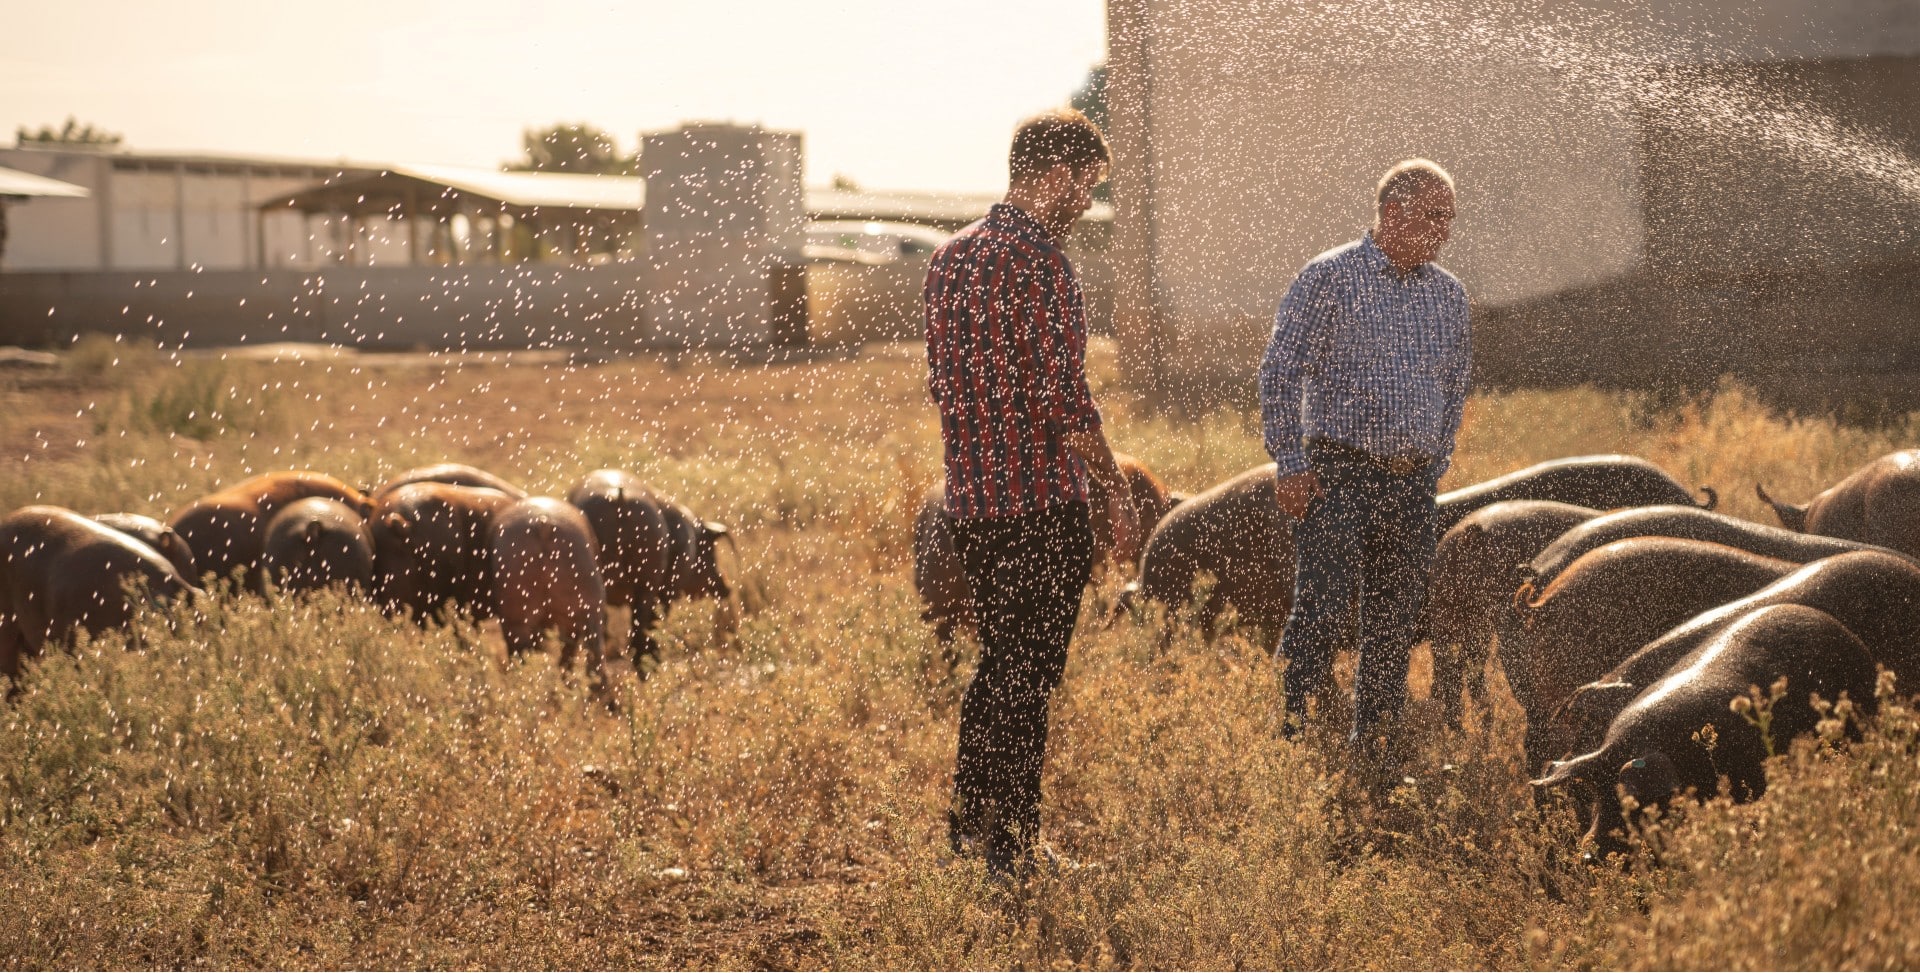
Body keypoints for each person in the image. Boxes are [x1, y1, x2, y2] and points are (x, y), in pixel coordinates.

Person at [924, 108, 1141, 880]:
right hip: (1042, 504)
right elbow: (1065, 400)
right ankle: (1013, 843)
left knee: (997, 668)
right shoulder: (1041, 262)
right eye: (1086, 185)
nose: (1087, 201)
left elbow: (943, 387)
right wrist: (1114, 489)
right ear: (1054, 174)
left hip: (974, 505)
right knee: (1030, 679)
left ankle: (967, 827)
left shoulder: (948, 260)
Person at [1257, 159, 1471, 767]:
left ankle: (1373, 747)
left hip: (1412, 483)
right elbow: (1280, 370)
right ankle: (1293, 736)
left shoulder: (1448, 295)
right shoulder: (1330, 277)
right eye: (1434, 215)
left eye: (1449, 218)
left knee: (1395, 616)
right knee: (1323, 608)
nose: (1444, 230)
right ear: (1392, 212)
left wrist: (1437, 456)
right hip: (1338, 472)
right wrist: (1290, 462)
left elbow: (1454, 384)